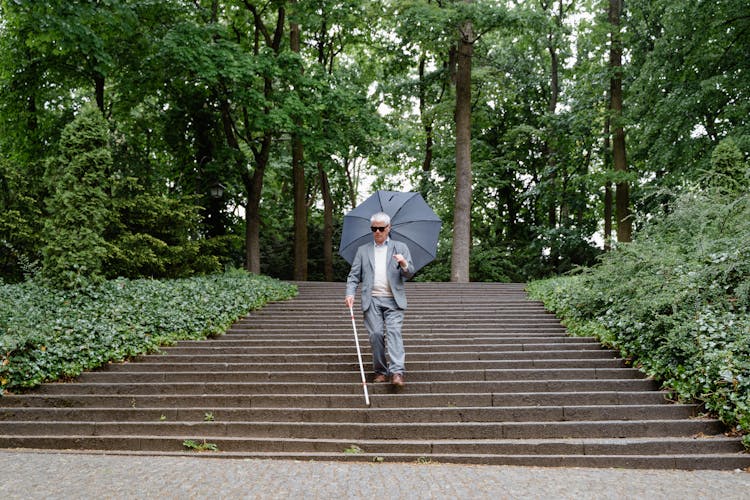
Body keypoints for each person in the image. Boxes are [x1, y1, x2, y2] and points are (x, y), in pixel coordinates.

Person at [345, 212, 415, 388]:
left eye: (381, 228)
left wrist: (404, 263)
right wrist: (350, 293)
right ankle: (381, 371)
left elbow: (410, 273)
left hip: (394, 300)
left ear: (388, 228)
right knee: (375, 335)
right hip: (372, 300)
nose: (377, 232)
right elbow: (353, 276)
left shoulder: (401, 247)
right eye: (374, 228)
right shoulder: (363, 250)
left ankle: (397, 372)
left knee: (394, 333)